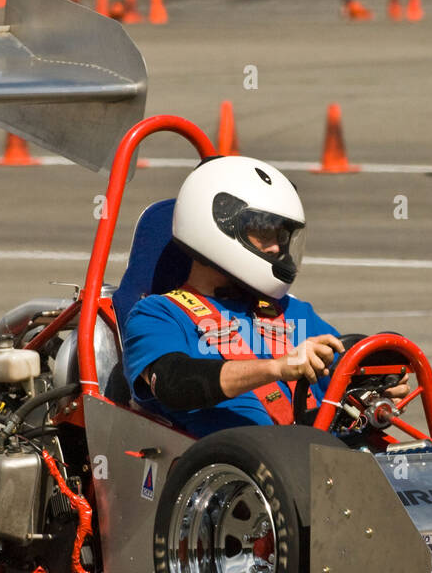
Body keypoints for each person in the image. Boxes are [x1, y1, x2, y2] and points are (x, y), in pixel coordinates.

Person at [122, 156, 403, 437]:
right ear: (214, 225)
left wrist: (378, 383)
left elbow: (342, 379)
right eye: (263, 231)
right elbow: (172, 383)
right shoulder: (157, 313)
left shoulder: (294, 312)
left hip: (307, 459)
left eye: (281, 236)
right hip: (227, 469)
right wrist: (275, 368)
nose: (275, 248)